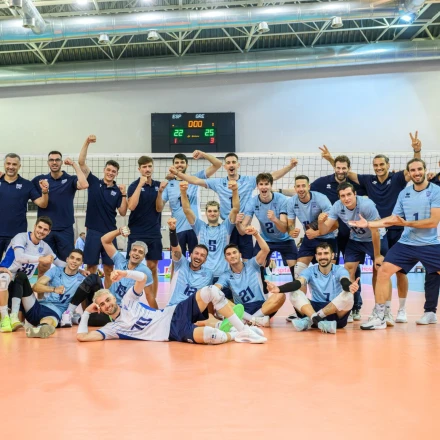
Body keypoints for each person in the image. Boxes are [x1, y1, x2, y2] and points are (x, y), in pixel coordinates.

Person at [321, 132, 422, 323]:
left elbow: (415, 170)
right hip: (373, 229)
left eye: (382, 164)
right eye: (376, 165)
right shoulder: (368, 180)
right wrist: (331, 159)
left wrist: (417, 150)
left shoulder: (398, 178)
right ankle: (367, 309)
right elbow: (344, 172)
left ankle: (400, 310)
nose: (379, 168)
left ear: (388, 165)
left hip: (395, 229)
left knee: (399, 272)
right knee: (375, 270)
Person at [349, 159, 440, 330]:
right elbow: (392, 219)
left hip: (429, 243)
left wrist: (406, 223)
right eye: (413, 170)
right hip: (406, 243)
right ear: (409, 173)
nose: (417, 173)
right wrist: (369, 224)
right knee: (383, 271)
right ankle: (380, 316)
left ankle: (429, 312)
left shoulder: (436, 191)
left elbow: (433, 221)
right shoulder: (404, 193)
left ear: (425, 169)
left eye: (419, 169)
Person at [76, 270, 267, 344]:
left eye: (108, 300)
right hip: (172, 332)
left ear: (113, 298)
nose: (107, 305)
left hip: (174, 312)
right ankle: (235, 334)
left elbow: (142, 278)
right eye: (102, 304)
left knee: (211, 291)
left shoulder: (127, 301)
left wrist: (125, 273)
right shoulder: (112, 329)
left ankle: (244, 330)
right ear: (99, 309)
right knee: (212, 337)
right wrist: (85, 313)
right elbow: (82, 337)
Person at [169, 153, 298, 260]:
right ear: (225, 166)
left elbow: (272, 176)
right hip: (227, 226)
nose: (231, 165)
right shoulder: (218, 182)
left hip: (244, 224)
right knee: (228, 258)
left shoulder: (249, 181)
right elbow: (195, 180)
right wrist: (178, 174)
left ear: (238, 165)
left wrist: (290, 166)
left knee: (247, 259)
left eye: (233, 162)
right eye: (228, 163)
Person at [50, 226, 155, 329]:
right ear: (130, 252)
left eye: (140, 252)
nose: (136, 253)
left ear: (143, 256)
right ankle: (69, 312)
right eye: (134, 250)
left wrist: (157, 316)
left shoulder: (145, 271)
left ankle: (76, 319)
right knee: (93, 277)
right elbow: (104, 240)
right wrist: (119, 231)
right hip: (103, 300)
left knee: (99, 319)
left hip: (118, 309)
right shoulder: (120, 260)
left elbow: (150, 295)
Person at [318, 182, 389, 322]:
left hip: (375, 237)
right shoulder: (337, 206)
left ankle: (380, 310)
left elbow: (375, 230)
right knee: (348, 270)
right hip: (356, 239)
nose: (346, 198)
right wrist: (321, 222)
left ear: (355, 194)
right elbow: (324, 230)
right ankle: (348, 308)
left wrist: (377, 255)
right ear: (339, 197)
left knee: (378, 271)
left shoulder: (366, 205)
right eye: (343, 196)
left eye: (349, 194)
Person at [310, 152, 366, 321]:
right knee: (331, 270)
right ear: (334, 167)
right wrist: (280, 190)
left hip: (352, 235)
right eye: (338, 167)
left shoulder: (355, 185)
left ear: (349, 169)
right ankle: (330, 304)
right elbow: (304, 190)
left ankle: (355, 306)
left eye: (344, 168)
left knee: (353, 270)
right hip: (331, 234)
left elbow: (373, 191)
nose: (341, 171)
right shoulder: (323, 182)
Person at [266, 242, 360, 334]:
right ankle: (318, 321)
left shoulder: (339, 270)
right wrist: (278, 288)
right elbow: (298, 283)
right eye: (319, 254)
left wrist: (350, 286)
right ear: (316, 256)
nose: (322, 256)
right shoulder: (309, 271)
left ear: (332, 256)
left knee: (349, 295)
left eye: (326, 253)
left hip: (335, 313)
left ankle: (311, 320)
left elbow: (344, 281)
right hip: (313, 309)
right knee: (294, 292)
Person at [0, 216, 66, 333]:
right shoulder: (21, 237)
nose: (41, 231)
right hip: (7, 275)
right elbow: (19, 257)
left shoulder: (44, 247)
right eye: (39, 227)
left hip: (21, 283)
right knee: (3, 279)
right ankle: (4, 317)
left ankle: (14, 317)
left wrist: (79, 269)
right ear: (34, 226)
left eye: (45, 229)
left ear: (49, 232)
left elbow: (59, 262)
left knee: (21, 276)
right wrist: (40, 259)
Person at [78, 135, 128, 288]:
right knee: (91, 268)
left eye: (114, 171)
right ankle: (92, 296)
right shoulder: (93, 182)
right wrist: (87, 142)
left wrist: (124, 194)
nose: (110, 173)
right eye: (109, 170)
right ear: (104, 170)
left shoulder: (118, 191)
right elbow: (81, 162)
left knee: (109, 269)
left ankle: (109, 296)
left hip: (110, 232)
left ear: (116, 174)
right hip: (93, 232)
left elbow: (123, 212)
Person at [215, 226, 286, 327]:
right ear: (226, 259)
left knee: (280, 295)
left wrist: (256, 234)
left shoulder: (252, 264)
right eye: (229, 254)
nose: (232, 256)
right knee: (219, 298)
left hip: (262, 306)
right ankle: (255, 320)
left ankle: (250, 320)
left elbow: (266, 250)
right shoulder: (225, 275)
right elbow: (216, 288)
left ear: (240, 255)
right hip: (242, 309)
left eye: (234, 253)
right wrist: (212, 291)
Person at [238, 173, 297, 290]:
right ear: (257, 186)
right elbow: (242, 231)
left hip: (285, 240)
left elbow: (284, 229)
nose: (264, 187)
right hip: (266, 240)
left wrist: (274, 219)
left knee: (294, 270)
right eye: (261, 184)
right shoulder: (252, 202)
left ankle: (294, 292)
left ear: (271, 185)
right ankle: (263, 291)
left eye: (266, 184)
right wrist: (238, 224)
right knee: (256, 266)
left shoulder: (281, 199)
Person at [156, 151, 222, 256]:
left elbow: (218, 164)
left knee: (199, 258)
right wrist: (159, 192)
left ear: (187, 165)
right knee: (177, 259)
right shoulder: (169, 184)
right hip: (177, 228)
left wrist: (203, 154)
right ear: (173, 165)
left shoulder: (195, 179)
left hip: (195, 228)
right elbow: (159, 208)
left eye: (182, 162)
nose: (179, 165)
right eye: (177, 162)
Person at [180, 179, 238, 294]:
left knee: (227, 303)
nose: (212, 213)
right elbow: (187, 210)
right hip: (204, 275)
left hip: (223, 275)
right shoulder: (200, 227)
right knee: (203, 303)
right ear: (206, 213)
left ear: (219, 212)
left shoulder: (226, 227)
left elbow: (235, 209)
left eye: (215, 211)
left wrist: (235, 190)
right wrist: (183, 191)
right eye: (210, 211)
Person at [32, 151, 89, 262]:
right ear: (48, 162)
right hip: (45, 230)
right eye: (51, 160)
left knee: (66, 262)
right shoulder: (40, 180)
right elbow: (23, 186)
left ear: (61, 162)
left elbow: (84, 184)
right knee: (45, 262)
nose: (54, 162)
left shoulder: (70, 179)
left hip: (65, 229)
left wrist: (73, 164)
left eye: (57, 160)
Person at [287, 174, 338, 285]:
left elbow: (335, 224)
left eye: (303, 186)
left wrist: (317, 233)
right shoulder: (291, 202)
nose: (301, 189)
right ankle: (301, 297)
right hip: (309, 238)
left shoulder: (321, 199)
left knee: (329, 275)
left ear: (309, 187)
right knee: (298, 273)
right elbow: (290, 224)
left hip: (328, 238)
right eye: (298, 186)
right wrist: (291, 231)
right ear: (295, 188)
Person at [23, 249, 85, 338]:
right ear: (67, 259)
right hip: (39, 305)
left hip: (56, 311)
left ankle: (40, 329)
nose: (74, 261)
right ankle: (16, 319)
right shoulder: (55, 270)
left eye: (78, 260)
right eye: (72, 258)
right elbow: (36, 287)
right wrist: (54, 289)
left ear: (81, 263)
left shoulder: (82, 280)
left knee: (49, 320)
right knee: (21, 278)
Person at [0, 153, 49, 258]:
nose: (11, 167)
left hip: (16, 235)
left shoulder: (27, 184)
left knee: (14, 266)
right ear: (4, 165)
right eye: (8, 163)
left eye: (14, 164)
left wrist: (45, 191)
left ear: (19, 166)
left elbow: (42, 204)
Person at [127, 156, 161, 299]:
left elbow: (159, 208)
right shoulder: (133, 186)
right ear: (139, 169)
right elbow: (131, 206)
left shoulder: (159, 185)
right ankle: (128, 301)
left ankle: (153, 302)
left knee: (152, 267)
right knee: (132, 268)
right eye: (144, 167)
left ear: (153, 167)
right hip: (136, 232)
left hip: (153, 232)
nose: (147, 169)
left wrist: (161, 191)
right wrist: (140, 185)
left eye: (149, 166)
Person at [167, 217, 214, 307]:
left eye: (202, 255)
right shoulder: (181, 264)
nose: (198, 257)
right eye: (196, 253)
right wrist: (172, 231)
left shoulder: (209, 274)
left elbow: (209, 297)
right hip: (174, 307)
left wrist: (211, 314)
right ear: (191, 255)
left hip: (193, 310)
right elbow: (175, 248)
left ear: (205, 260)